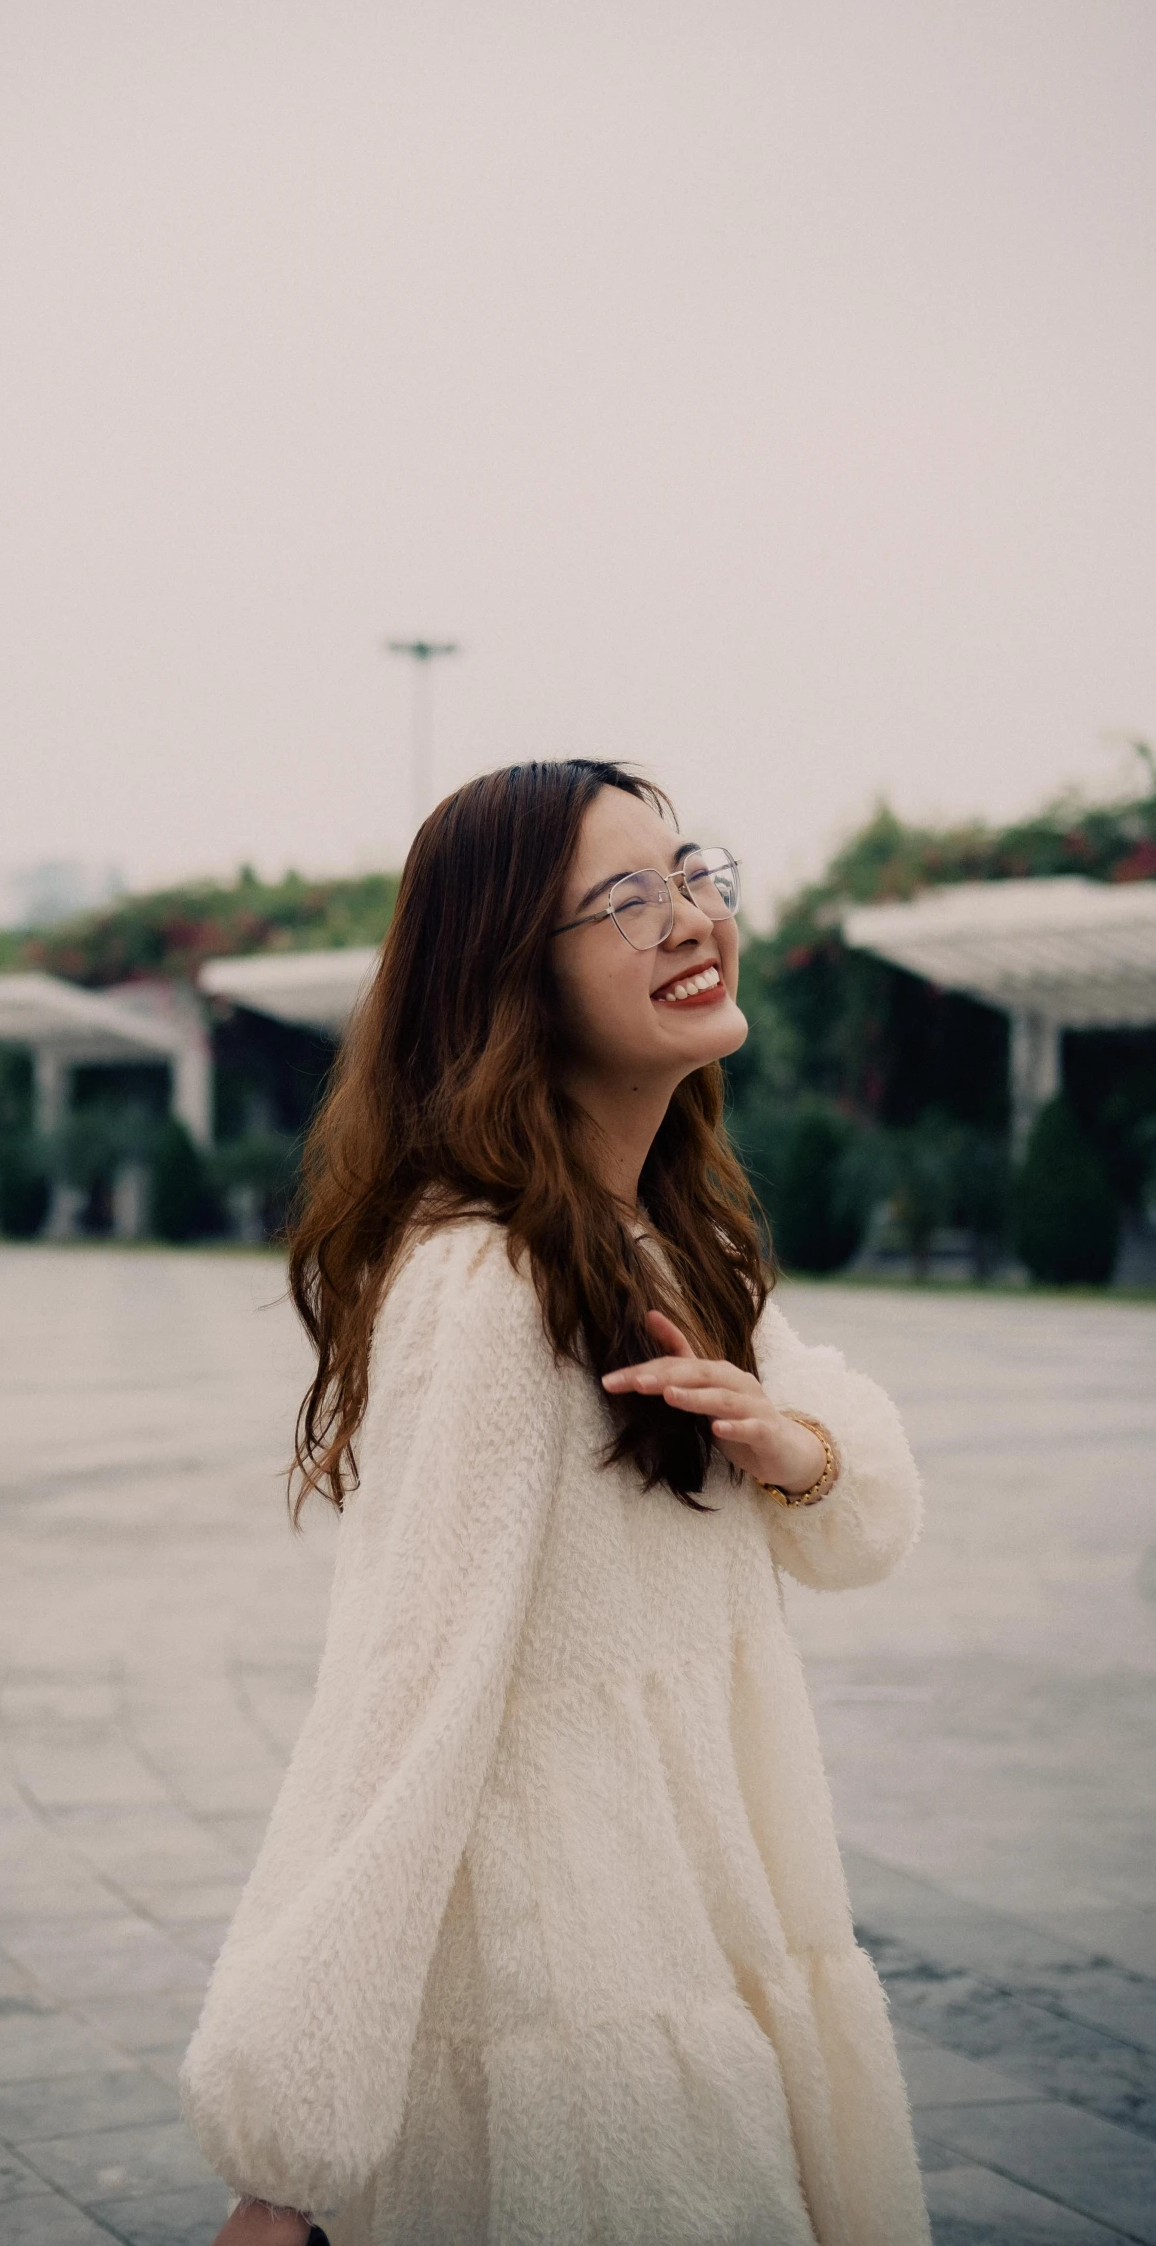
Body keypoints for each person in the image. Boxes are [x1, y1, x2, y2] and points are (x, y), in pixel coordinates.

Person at [182, 760, 928, 2246]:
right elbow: (405, 1699)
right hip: (574, 2017)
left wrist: (799, 1449)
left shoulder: (663, 1238)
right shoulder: (489, 1279)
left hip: (710, 1929)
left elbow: (860, 1499)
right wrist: (288, 2156)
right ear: (509, 982)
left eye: (691, 871)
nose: (688, 917)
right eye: (622, 899)